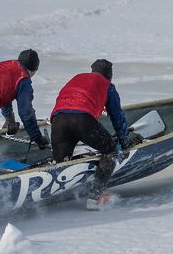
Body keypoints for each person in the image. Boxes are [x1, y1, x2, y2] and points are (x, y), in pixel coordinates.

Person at [50, 59, 143, 210]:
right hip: (82, 120)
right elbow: (118, 118)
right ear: (109, 75)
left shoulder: (77, 78)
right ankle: (95, 198)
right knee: (111, 151)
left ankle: (53, 196)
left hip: (58, 120)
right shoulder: (108, 86)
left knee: (61, 164)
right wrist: (125, 144)